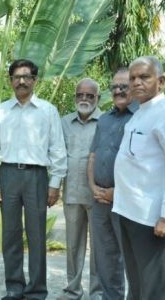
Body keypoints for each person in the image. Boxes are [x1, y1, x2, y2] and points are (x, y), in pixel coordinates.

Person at [0, 59, 67, 300]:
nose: (21, 81)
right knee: (10, 235)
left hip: (36, 177)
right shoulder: (1, 111)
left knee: (36, 235)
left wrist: (54, 184)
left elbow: (58, 150)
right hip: (8, 174)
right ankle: (14, 287)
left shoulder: (48, 111)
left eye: (26, 77)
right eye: (16, 77)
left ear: (34, 80)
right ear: (10, 81)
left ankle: (36, 290)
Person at [113, 56, 165, 300]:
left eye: (144, 77)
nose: (136, 83)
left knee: (154, 292)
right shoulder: (140, 114)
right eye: (133, 78)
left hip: (153, 220)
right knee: (137, 288)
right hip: (129, 213)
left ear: (162, 81)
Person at [88, 68, 138, 300]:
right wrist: (93, 187)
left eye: (123, 86)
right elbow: (93, 156)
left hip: (127, 202)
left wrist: (117, 193)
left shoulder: (141, 118)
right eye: (114, 87)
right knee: (105, 257)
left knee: (131, 258)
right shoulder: (104, 119)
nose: (118, 91)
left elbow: (143, 166)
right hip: (100, 201)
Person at [59, 79, 102, 300]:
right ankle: (73, 290)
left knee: (99, 248)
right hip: (72, 193)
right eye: (80, 95)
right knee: (73, 246)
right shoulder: (64, 122)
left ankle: (97, 292)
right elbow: (58, 155)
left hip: (99, 196)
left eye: (90, 95)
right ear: (75, 96)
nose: (84, 99)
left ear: (98, 98)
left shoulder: (106, 121)